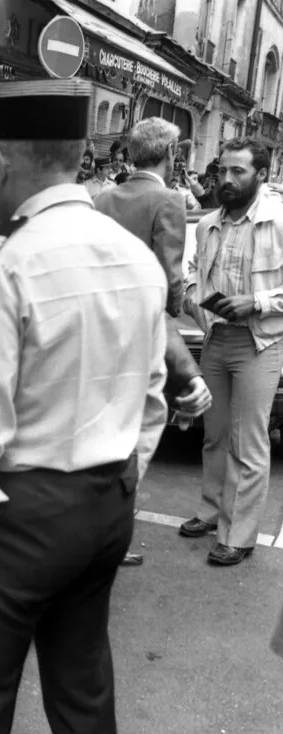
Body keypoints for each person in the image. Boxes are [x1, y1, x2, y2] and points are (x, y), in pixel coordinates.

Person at [0, 78, 169, 734]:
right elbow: (153, 397)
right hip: (105, 505)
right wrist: (113, 478)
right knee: (82, 690)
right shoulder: (135, 258)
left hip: (18, 521)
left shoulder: (1, 261)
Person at [93, 116, 214, 566]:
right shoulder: (168, 200)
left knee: (104, 432)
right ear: (171, 156)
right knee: (133, 436)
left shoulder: (104, 197)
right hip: (142, 333)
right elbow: (168, 277)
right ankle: (109, 538)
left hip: (102, 328)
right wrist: (190, 306)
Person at [180, 137, 283, 566]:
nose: (226, 179)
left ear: (261, 174)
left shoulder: (278, 219)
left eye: (238, 171)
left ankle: (238, 536)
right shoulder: (207, 224)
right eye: (222, 170)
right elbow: (191, 270)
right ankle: (211, 510)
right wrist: (191, 294)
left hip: (261, 342)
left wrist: (256, 303)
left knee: (249, 441)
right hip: (216, 337)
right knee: (215, 433)